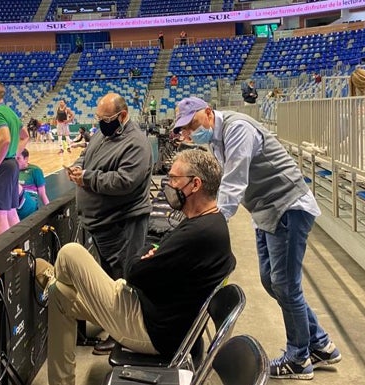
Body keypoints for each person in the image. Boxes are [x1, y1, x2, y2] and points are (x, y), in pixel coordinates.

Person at [172, 97, 341, 380]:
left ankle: (299, 357)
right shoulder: (216, 139)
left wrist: (211, 224)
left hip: (287, 207)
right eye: (185, 128)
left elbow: (235, 183)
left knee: (286, 286)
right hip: (266, 210)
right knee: (271, 281)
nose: (190, 131)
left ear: (209, 113)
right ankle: (320, 343)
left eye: (193, 123)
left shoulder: (238, 129)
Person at [40, 149, 236, 385]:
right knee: (60, 294)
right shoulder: (209, 224)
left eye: (174, 179)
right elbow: (151, 264)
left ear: (195, 184)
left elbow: (133, 272)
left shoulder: (198, 234)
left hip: (149, 329)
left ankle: (53, 276)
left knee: (70, 253)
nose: (168, 184)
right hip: (150, 310)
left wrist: (146, 254)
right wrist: (150, 255)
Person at [66, 92, 153, 354]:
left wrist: (87, 178)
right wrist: (77, 166)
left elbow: (124, 181)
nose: (101, 123)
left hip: (123, 225)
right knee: (109, 281)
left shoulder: (136, 143)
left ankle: (124, 336)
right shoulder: (104, 135)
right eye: (99, 118)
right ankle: (114, 326)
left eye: (105, 118)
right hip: (103, 225)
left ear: (122, 116)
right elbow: (87, 157)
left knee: (122, 282)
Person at [0, 80, 29, 235]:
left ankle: (5, 256)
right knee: (11, 211)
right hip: (12, 165)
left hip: (2, 167)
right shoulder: (11, 113)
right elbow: (25, 136)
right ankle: (19, 247)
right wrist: (15, 153)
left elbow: (5, 139)